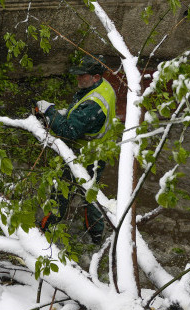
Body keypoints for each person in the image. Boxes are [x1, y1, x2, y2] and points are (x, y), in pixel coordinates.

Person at [37, 55, 117, 244]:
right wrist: (66, 113)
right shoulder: (101, 87)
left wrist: (50, 112)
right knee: (91, 196)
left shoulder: (94, 103)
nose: (78, 79)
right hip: (98, 152)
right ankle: (97, 236)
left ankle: (43, 233)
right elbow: (81, 116)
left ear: (95, 77)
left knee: (60, 194)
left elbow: (69, 131)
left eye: (82, 75)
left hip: (82, 156)